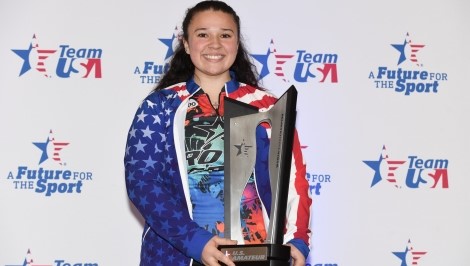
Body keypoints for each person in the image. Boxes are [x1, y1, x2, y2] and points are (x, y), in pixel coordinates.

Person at [124, 1, 312, 265]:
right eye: (203, 34)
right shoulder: (159, 106)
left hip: (257, 254)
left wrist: (297, 240)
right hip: (176, 255)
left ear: (237, 43)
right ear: (187, 44)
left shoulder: (268, 106)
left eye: (225, 35)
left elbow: (294, 180)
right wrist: (195, 242)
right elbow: (142, 182)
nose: (215, 44)